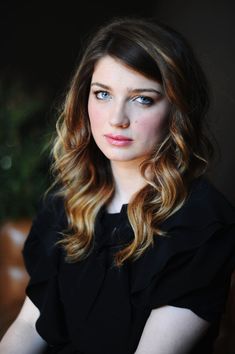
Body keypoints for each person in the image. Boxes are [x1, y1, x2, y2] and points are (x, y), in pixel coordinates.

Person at [0, 15, 235, 354]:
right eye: (103, 94)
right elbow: (27, 326)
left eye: (143, 99)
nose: (116, 118)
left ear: (177, 109)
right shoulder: (64, 206)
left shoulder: (202, 224)